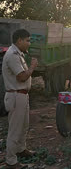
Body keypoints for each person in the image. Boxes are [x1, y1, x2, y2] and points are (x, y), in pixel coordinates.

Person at [2, 29, 38, 168]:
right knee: (15, 129)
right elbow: (22, 76)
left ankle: (21, 150)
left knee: (24, 126)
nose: (29, 43)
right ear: (19, 41)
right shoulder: (12, 55)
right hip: (15, 96)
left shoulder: (18, 54)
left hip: (22, 95)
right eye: (27, 40)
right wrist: (33, 67)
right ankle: (11, 161)